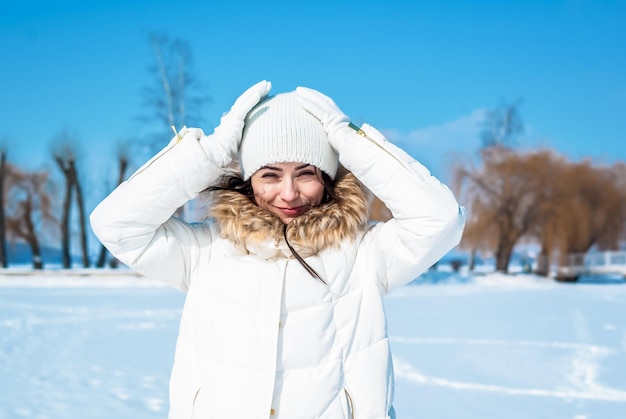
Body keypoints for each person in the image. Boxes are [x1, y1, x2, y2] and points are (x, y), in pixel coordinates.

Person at [90, 80, 466, 419]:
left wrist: (350, 141)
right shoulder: (205, 249)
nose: (288, 193)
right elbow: (116, 224)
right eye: (269, 174)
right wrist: (210, 153)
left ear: (328, 178)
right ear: (248, 178)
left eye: (306, 173)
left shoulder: (364, 253)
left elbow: (440, 220)